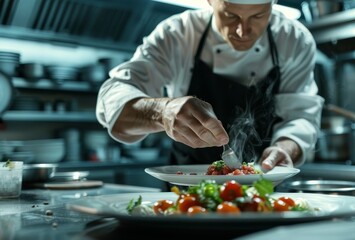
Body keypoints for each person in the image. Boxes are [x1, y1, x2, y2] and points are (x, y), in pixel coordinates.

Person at [95, 0, 324, 171]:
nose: (243, 31)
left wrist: (285, 148)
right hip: (185, 191)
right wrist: (162, 112)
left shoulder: (294, 40)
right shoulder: (178, 34)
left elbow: (301, 117)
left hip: (263, 190)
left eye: (258, 16)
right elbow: (112, 99)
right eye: (231, 15)